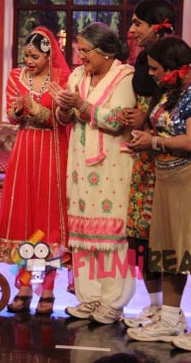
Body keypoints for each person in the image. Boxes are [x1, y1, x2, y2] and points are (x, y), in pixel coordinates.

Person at [126, 36, 191, 352]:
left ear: (176, 66)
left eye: (156, 68)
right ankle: (170, 319)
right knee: (170, 252)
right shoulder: (175, 88)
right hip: (173, 179)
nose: (152, 75)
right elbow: (167, 128)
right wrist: (145, 136)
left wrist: (153, 142)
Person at [49, 22, 136, 325]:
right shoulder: (77, 76)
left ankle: (113, 303)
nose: (80, 56)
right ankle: (89, 297)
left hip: (113, 165)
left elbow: (117, 120)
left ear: (106, 52)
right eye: (79, 50)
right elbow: (66, 118)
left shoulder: (125, 77)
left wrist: (82, 105)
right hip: (80, 167)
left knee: (112, 236)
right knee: (84, 234)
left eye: (86, 51)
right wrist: (63, 107)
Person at [0, 27, 71, 315]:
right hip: (25, 151)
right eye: (26, 55)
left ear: (49, 56)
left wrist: (35, 109)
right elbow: (12, 117)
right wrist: (17, 110)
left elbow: (63, 120)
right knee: (25, 221)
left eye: (35, 56)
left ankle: (47, 289)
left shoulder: (63, 79)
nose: (29, 61)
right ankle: (23, 286)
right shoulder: (16, 77)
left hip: (52, 152)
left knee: (47, 222)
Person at [119, 0, 176, 328]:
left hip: (166, 161)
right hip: (142, 159)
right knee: (140, 237)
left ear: (158, 25)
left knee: (164, 237)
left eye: (137, 23)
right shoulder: (142, 59)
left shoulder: (177, 61)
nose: (131, 30)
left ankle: (171, 312)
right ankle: (154, 306)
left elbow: (180, 114)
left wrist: (148, 119)